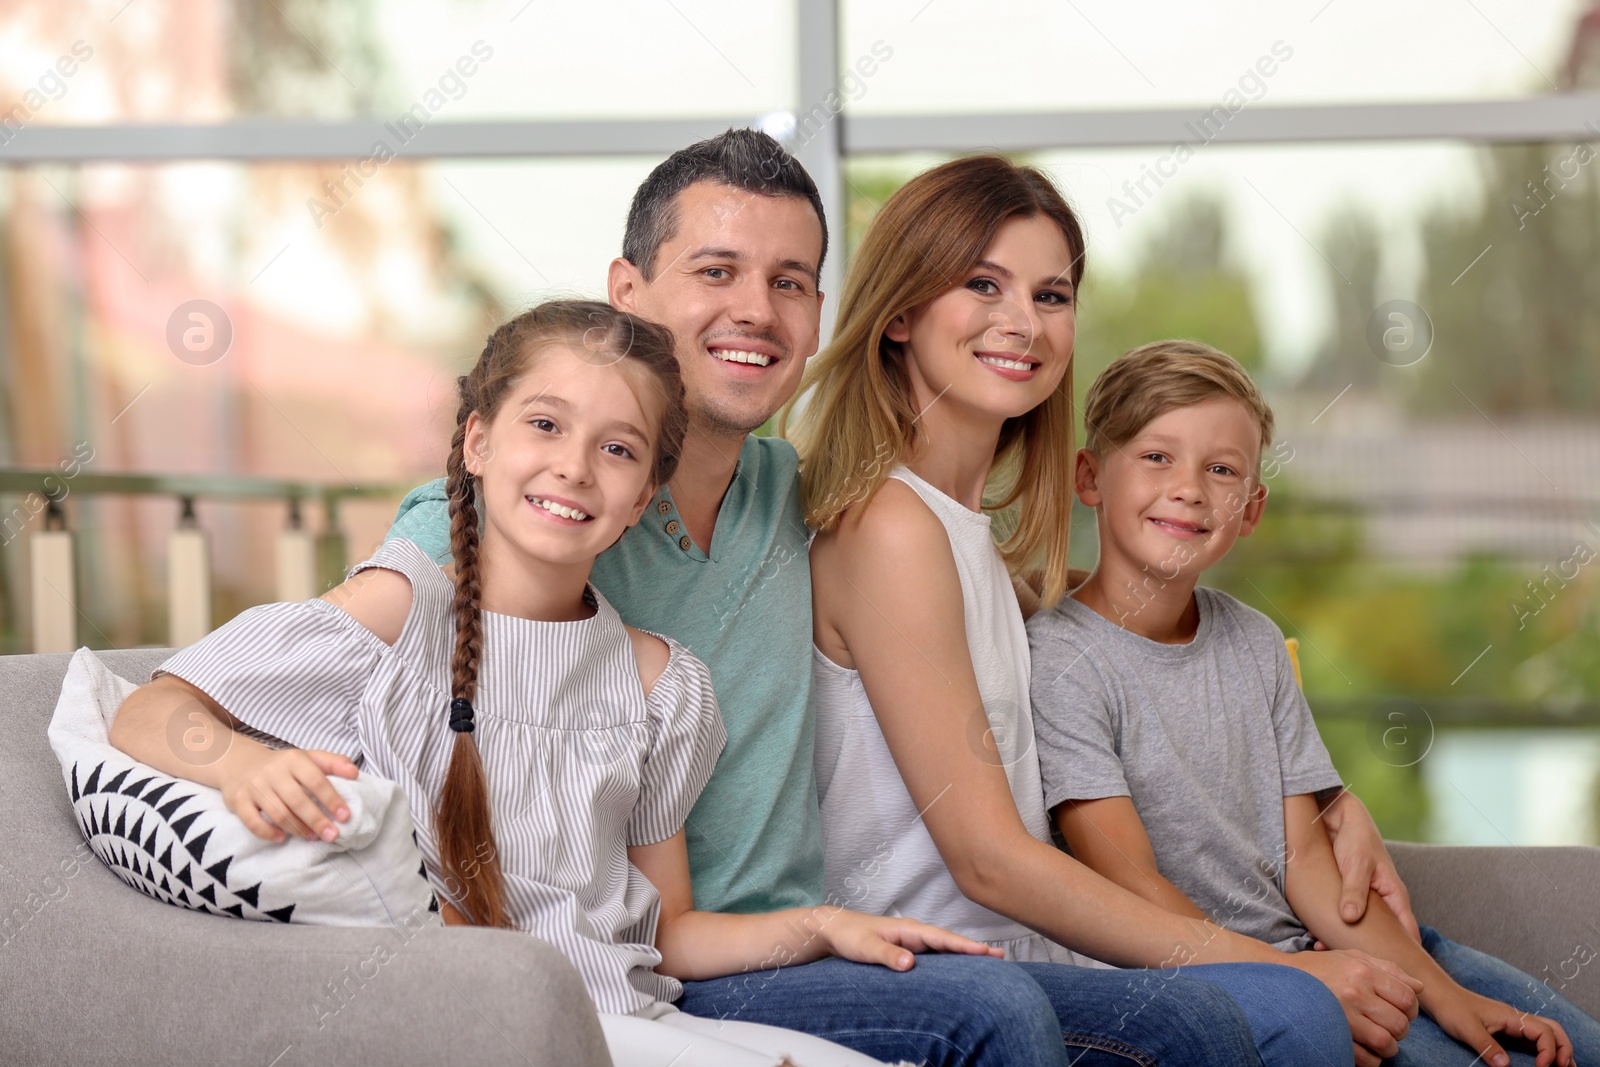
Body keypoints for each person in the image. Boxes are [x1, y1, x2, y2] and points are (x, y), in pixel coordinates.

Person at [387, 129, 1418, 1065]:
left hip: (799, 937)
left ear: (824, 313)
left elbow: (1023, 613)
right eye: (716, 271)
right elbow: (314, 659)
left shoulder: (797, 495)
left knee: (1219, 1017)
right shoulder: (517, 508)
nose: (756, 308)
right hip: (678, 960)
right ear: (627, 288)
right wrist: (228, 748)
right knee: (1083, 1015)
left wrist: (1321, 792)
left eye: (789, 281)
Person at [107, 300, 1008, 1066]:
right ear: (476, 442)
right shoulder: (399, 613)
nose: (574, 466)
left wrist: (821, 925)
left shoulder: (661, 684)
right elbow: (149, 709)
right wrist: (237, 766)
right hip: (487, 1035)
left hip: (627, 1021)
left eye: (618, 449)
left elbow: (669, 934)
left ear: (649, 488)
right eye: (544, 425)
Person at [784, 153, 1434, 1066]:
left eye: (1051, 295)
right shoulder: (889, 526)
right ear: (897, 315)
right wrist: (1283, 970)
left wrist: (1334, 798)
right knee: (1289, 1015)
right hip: (939, 968)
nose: (1023, 321)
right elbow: (989, 862)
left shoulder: (972, 543)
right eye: (982, 284)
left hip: (1028, 955)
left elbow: (1132, 677)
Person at [1029, 339, 1600, 1067]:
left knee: (1575, 1047)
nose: (1189, 489)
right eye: (1156, 456)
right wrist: (1295, 989)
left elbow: (1306, 861)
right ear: (1089, 476)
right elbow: (1131, 886)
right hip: (1219, 985)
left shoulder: (1256, 641)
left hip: (1326, 947)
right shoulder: (1062, 660)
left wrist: (1445, 993)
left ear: (1252, 506)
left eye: (1222, 469)